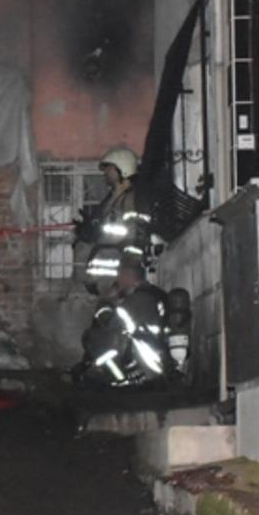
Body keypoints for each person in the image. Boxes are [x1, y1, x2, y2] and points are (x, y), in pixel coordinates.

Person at [77, 255, 171, 388]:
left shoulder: (136, 301)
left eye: (120, 276)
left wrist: (106, 301)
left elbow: (110, 325)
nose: (118, 280)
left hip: (148, 362)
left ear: (129, 277)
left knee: (96, 338)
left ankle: (118, 379)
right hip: (159, 353)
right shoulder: (158, 294)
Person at [80, 147, 152, 290]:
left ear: (122, 169)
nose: (105, 173)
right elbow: (106, 234)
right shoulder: (114, 199)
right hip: (105, 277)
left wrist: (128, 272)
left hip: (119, 278)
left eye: (109, 168)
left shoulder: (131, 200)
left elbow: (137, 235)